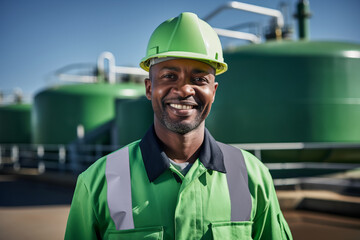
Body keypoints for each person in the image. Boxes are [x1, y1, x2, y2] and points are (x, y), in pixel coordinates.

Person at [65, 12, 292, 240]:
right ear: (148, 88)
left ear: (213, 92)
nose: (184, 90)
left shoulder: (252, 176)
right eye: (169, 76)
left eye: (199, 79)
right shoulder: (97, 181)